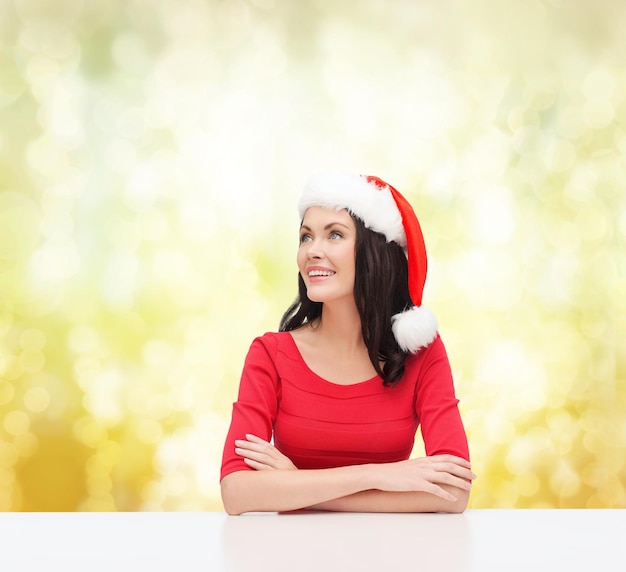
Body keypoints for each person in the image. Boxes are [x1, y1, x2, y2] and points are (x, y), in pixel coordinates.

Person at [220, 173, 475, 515]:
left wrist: (298, 485)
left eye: (334, 234)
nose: (312, 250)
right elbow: (237, 492)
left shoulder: (421, 353)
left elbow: (453, 492)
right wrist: (377, 476)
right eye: (305, 236)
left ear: (375, 251)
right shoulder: (270, 355)